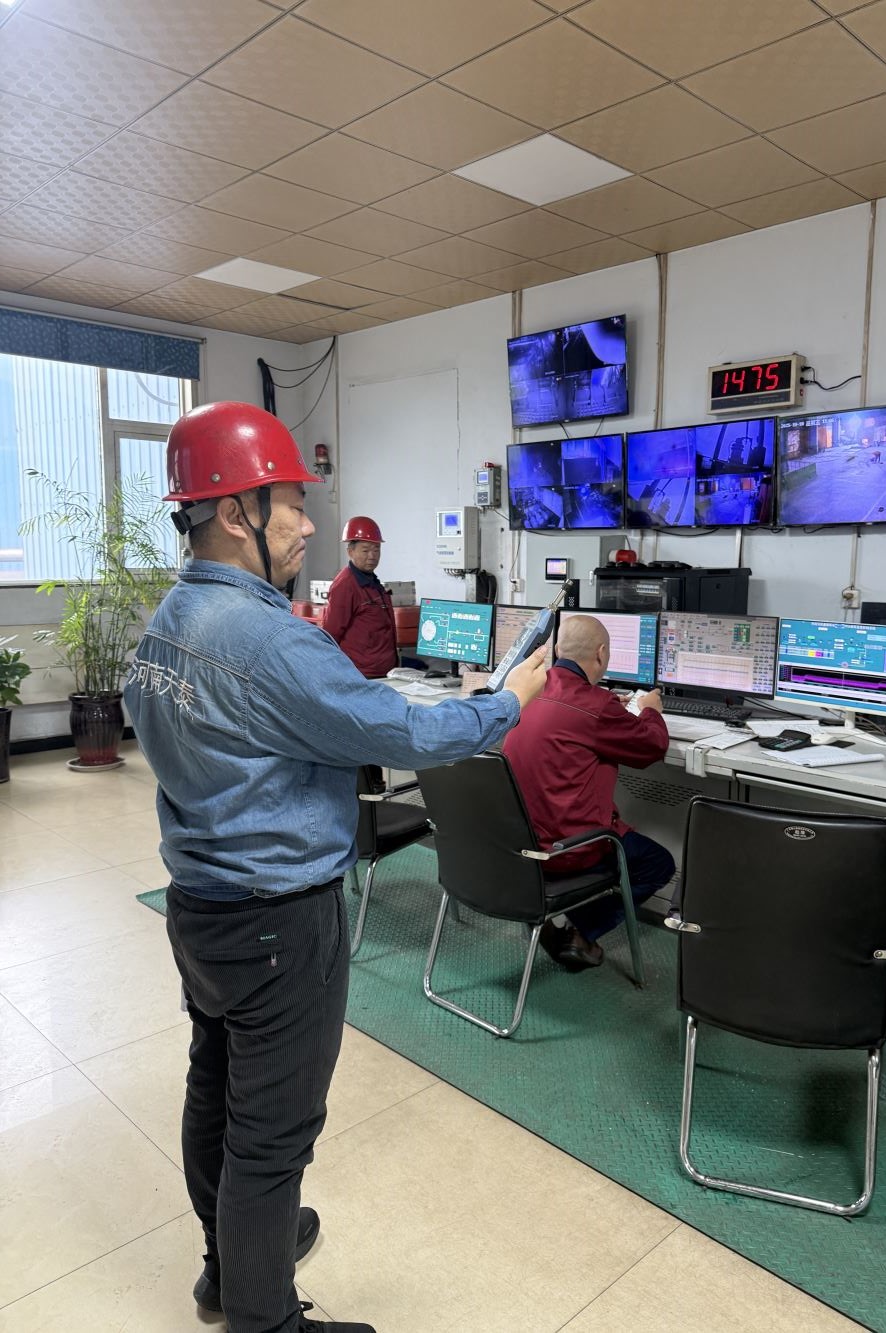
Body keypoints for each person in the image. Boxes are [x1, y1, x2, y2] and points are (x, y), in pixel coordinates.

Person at [123, 401, 546, 1333]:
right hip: (279, 920)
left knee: (216, 1086)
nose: (310, 525)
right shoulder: (270, 641)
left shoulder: (169, 621)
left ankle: (228, 1266)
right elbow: (406, 734)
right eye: (291, 504)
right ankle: (264, 1317)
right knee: (271, 1135)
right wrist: (507, 701)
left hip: (201, 908)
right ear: (234, 511)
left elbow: (165, 726)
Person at [503, 614, 676, 971]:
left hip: (519, 843)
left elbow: (572, 715)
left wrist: (607, 704)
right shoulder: (596, 707)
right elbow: (652, 746)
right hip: (568, 851)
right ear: (601, 654)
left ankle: (560, 918)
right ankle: (581, 932)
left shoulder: (527, 689)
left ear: (557, 649)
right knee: (658, 863)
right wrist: (650, 711)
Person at [321, 516, 397, 678]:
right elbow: (330, 634)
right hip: (361, 676)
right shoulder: (345, 585)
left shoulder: (373, 582)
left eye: (376, 549)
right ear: (350, 551)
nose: (372, 556)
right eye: (365, 550)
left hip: (384, 675)